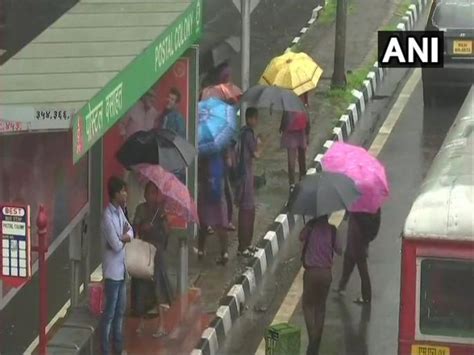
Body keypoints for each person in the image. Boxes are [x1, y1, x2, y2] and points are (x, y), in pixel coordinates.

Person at [132, 182, 174, 337]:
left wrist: (166, 223)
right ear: (145, 195)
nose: (153, 196)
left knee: (159, 289)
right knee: (141, 287)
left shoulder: (162, 211)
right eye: (150, 193)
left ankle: (162, 325)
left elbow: (167, 234)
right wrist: (143, 228)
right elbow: (135, 228)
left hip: (157, 254)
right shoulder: (141, 209)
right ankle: (141, 322)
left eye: (155, 193)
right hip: (144, 253)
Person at [100, 176, 134, 355]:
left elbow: (131, 231)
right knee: (110, 314)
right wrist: (123, 238)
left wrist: (125, 236)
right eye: (122, 191)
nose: (125, 194)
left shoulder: (120, 212)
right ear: (115, 194)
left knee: (120, 312)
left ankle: (118, 348)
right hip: (112, 274)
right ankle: (105, 350)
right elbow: (116, 244)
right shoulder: (107, 217)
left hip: (122, 271)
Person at [300, 215, 342, 355]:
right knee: (320, 307)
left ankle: (312, 341)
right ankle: (316, 343)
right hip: (325, 274)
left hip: (311, 273)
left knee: (308, 305)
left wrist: (308, 225)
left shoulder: (311, 227)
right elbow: (340, 250)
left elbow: (300, 237)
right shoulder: (332, 230)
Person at [335, 208, 381, 304]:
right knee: (348, 262)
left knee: (361, 269)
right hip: (361, 241)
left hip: (357, 242)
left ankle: (366, 296)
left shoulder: (358, 209)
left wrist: (350, 212)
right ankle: (341, 286)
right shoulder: (373, 206)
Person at [235, 108, 263, 257]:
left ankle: (246, 244)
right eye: (256, 118)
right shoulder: (249, 135)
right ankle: (243, 246)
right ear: (251, 119)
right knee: (247, 212)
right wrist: (260, 143)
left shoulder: (242, 132)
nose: (257, 121)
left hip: (244, 175)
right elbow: (256, 154)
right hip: (246, 176)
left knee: (248, 210)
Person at [197, 153, 230, 265]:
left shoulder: (203, 154)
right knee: (221, 224)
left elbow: (199, 173)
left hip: (206, 194)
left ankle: (201, 250)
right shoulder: (221, 151)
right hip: (218, 193)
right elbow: (228, 165)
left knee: (203, 223)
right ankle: (224, 252)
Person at [280, 93, 310, 194]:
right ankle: (303, 177)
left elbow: (285, 114)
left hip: (290, 128)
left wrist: (282, 126)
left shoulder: (287, 94)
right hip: (301, 128)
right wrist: (308, 132)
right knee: (302, 156)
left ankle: (292, 184)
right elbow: (306, 111)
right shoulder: (304, 90)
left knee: (291, 158)